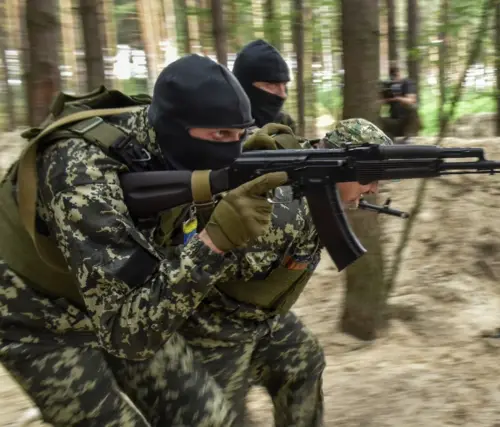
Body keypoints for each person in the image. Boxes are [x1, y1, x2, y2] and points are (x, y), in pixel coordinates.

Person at [0, 54, 288, 426]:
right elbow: (126, 333)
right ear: (175, 126)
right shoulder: (81, 171)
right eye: (220, 135)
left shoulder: (174, 146)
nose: (232, 150)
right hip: (37, 314)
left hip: (130, 296)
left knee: (210, 419)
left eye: (240, 134)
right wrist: (214, 243)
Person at [181, 118, 393, 427]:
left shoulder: (315, 188)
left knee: (304, 361)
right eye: (369, 178)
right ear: (340, 166)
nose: (373, 189)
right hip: (215, 323)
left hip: (264, 317)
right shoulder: (283, 208)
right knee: (221, 417)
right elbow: (202, 273)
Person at [232, 39, 298, 133]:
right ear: (243, 87)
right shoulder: (219, 128)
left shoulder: (284, 124)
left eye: (284, 84)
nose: (283, 95)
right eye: (271, 85)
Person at [379, 64, 422, 143]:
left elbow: (411, 100)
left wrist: (397, 98)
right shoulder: (388, 85)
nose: (394, 77)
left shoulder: (407, 83)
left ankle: (409, 136)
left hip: (407, 122)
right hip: (394, 120)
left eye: (395, 73)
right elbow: (380, 102)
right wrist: (386, 97)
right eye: (392, 74)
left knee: (412, 108)